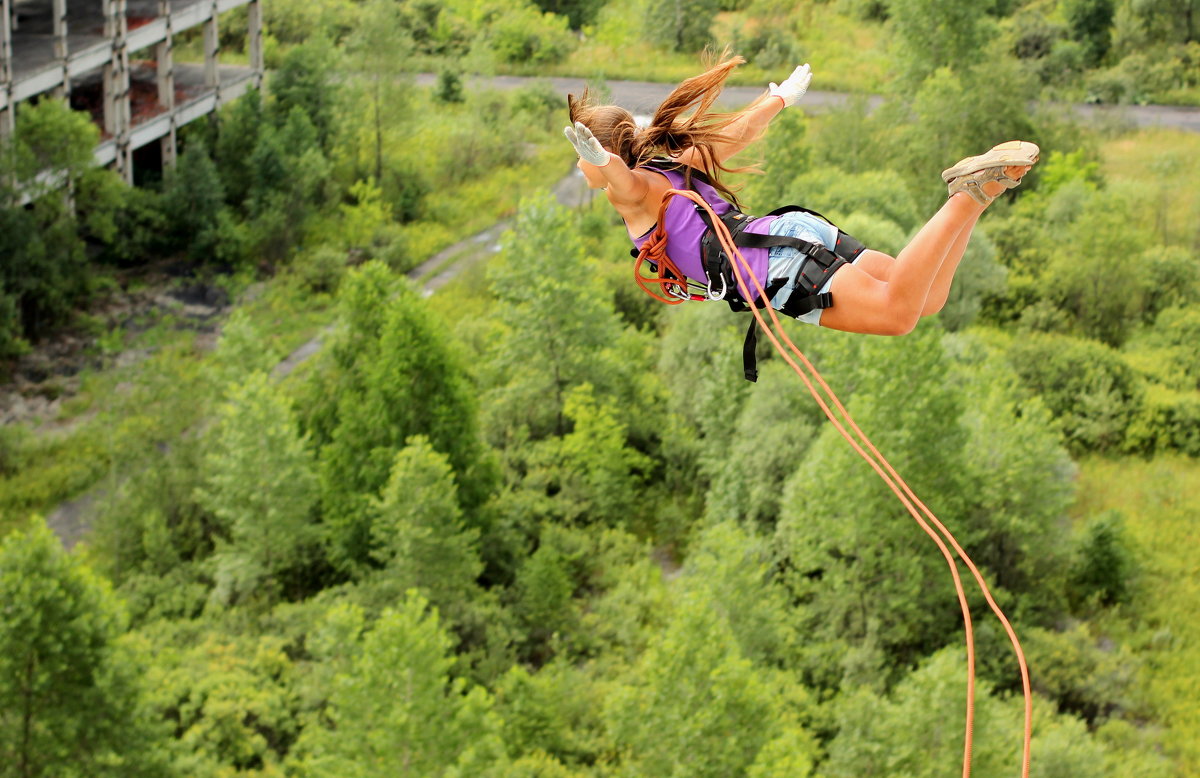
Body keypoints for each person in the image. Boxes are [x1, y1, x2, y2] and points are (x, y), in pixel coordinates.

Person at [562, 54, 1039, 336]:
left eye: (581, 155)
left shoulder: (634, 190)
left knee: (898, 315)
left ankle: (968, 196)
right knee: (924, 299)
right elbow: (739, 133)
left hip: (777, 263)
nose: (578, 165)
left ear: (603, 151)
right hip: (788, 235)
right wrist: (781, 98)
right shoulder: (672, 164)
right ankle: (983, 191)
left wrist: (605, 164)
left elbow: (621, 182)